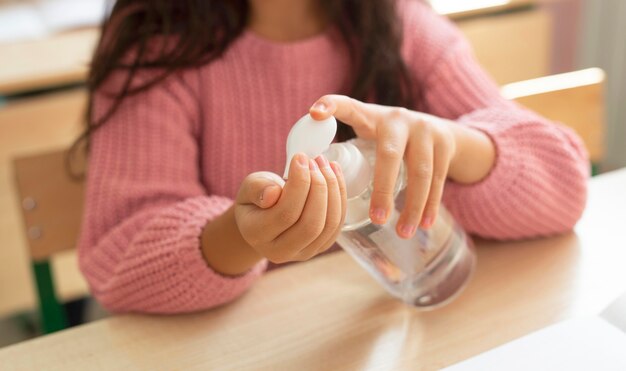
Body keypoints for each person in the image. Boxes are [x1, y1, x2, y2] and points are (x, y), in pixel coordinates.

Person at [77, 0, 589, 313]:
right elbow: (117, 259)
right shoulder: (157, 58)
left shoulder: (404, 28)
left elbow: (564, 187)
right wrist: (243, 234)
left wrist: (453, 144)